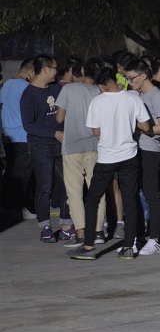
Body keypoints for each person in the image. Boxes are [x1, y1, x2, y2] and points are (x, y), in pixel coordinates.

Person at [70, 68, 150, 260]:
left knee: (92, 199)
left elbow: (96, 132)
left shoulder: (97, 102)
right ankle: (129, 247)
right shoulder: (132, 98)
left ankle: (88, 246)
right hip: (129, 156)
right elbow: (146, 126)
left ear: (101, 86)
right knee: (130, 200)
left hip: (106, 158)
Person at [21, 54, 74, 243]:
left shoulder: (56, 88)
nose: (57, 72)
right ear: (45, 69)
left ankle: (66, 225)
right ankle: (45, 227)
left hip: (61, 145)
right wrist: (54, 133)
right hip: (41, 147)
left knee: (69, 184)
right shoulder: (28, 95)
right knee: (45, 187)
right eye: (54, 68)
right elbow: (28, 125)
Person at [123, 59, 160, 255]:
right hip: (136, 149)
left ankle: (155, 240)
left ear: (143, 75)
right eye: (127, 79)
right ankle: (139, 235)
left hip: (151, 150)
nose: (129, 82)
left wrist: (140, 129)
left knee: (152, 194)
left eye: (131, 78)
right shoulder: (138, 95)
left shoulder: (156, 96)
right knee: (135, 193)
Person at [55, 57, 104, 248]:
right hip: (95, 145)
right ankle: (98, 231)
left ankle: (81, 234)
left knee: (74, 193)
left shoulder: (68, 89)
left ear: (81, 72)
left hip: (72, 146)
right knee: (97, 190)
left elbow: (59, 118)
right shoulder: (100, 91)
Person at [0, 59, 35, 220]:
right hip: (22, 136)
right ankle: (18, 208)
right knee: (23, 175)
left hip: (8, 136)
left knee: (11, 172)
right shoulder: (26, 87)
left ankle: (9, 207)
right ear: (31, 72)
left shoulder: (6, 85)